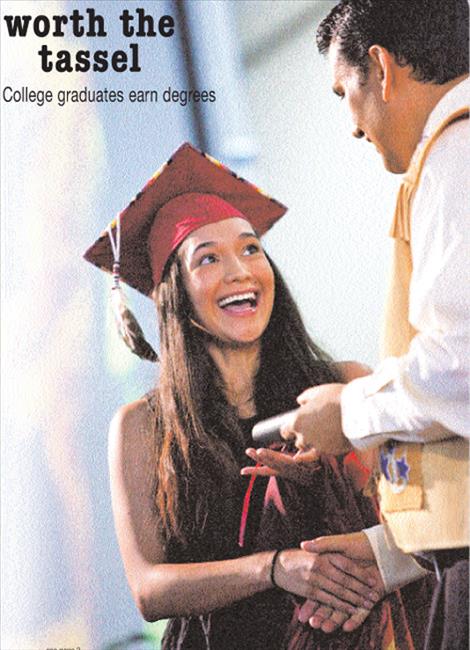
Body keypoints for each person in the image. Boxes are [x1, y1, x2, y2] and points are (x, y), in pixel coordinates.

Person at [85, 143, 419, 649]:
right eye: (209, 258)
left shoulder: (342, 390)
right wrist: (275, 568)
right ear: (177, 296)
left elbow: (424, 519)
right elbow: (148, 588)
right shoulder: (144, 426)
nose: (240, 271)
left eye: (250, 249)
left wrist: (373, 566)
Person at [277, 2, 469, 647]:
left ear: (381, 68)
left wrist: (349, 415)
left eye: (344, 93)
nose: (353, 126)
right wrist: (394, 551)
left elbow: (462, 366)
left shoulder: (457, 151)